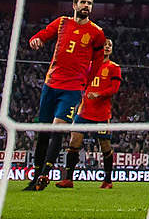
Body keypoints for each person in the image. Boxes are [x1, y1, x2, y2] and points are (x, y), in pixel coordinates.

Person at [22, 0, 106, 191]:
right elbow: (43, 34)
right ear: (74, 5)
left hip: (72, 89)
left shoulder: (97, 33)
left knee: (58, 129)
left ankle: (45, 174)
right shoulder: (62, 23)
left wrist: (86, 84)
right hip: (51, 85)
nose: (86, 6)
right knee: (43, 131)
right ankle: (36, 174)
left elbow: (97, 62)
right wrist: (37, 39)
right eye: (83, 2)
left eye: (89, 3)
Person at [58, 38, 121, 189]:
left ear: (111, 49)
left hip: (101, 115)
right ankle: (68, 179)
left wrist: (98, 94)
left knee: (105, 145)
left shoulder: (114, 67)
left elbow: (114, 89)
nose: (106, 47)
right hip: (83, 112)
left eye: (109, 45)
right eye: (104, 45)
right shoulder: (88, 66)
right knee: (74, 142)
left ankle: (107, 180)